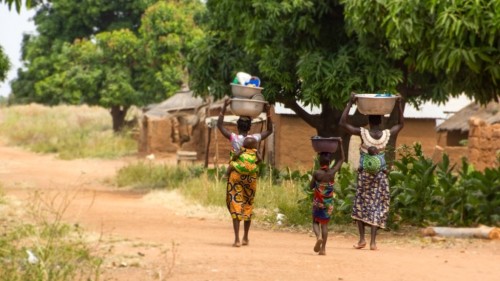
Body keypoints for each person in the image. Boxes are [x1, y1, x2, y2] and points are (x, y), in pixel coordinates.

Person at [339, 94, 404, 250]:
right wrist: (398, 104)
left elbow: (342, 123)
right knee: (377, 206)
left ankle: (362, 240)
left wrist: (349, 103)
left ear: (368, 121)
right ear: (381, 121)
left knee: (361, 204)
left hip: (365, 176)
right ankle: (373, 242)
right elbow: (401, 124)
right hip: (381, 176)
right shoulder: (386, 135)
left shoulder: (363, 134)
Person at [217, 98, 273, 247]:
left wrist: (224, 107)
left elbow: (219, 125)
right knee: (248, 203)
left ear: (237, 126)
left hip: (235, 175)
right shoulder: (254, 138)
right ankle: (246, 237)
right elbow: (270, 130)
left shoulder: (234, 138)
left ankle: (236, 239)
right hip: (250, 177)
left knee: (236, 203)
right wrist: (268, 112)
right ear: (250, 126)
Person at [310, 144, 344, 256]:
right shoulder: (332, 172)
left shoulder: (316, 173)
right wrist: (340, 143)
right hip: (328, 203)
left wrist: (315, 182)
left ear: (319, 163)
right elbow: (342, 159)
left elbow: (310, 186)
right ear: (329, 163)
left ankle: (318, 236)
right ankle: (323, 249)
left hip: (318, 202)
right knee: (324, 225)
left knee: (315, 221)